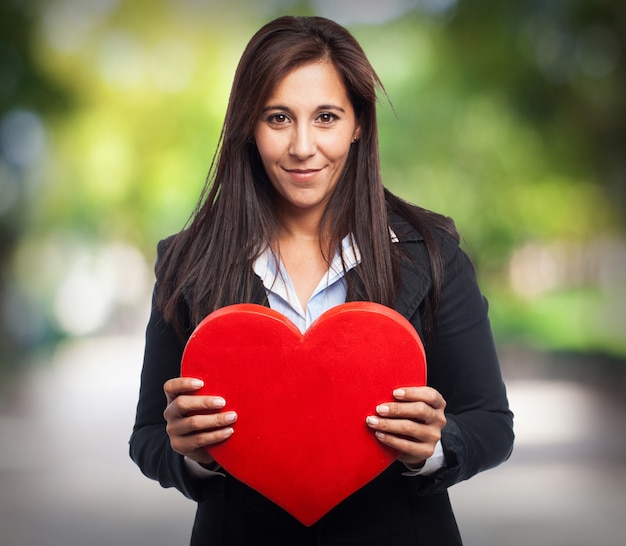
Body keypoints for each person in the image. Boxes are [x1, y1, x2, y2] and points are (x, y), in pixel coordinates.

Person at [129, 15, 514, 545]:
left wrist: (437, 445)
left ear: (359, 122)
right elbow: (148, 435)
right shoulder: (188, 262)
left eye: (327, 117)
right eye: (278, 118)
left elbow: (492, 422)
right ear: (248, 125)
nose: (303, 146)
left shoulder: (432, 252)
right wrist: (191, 455)